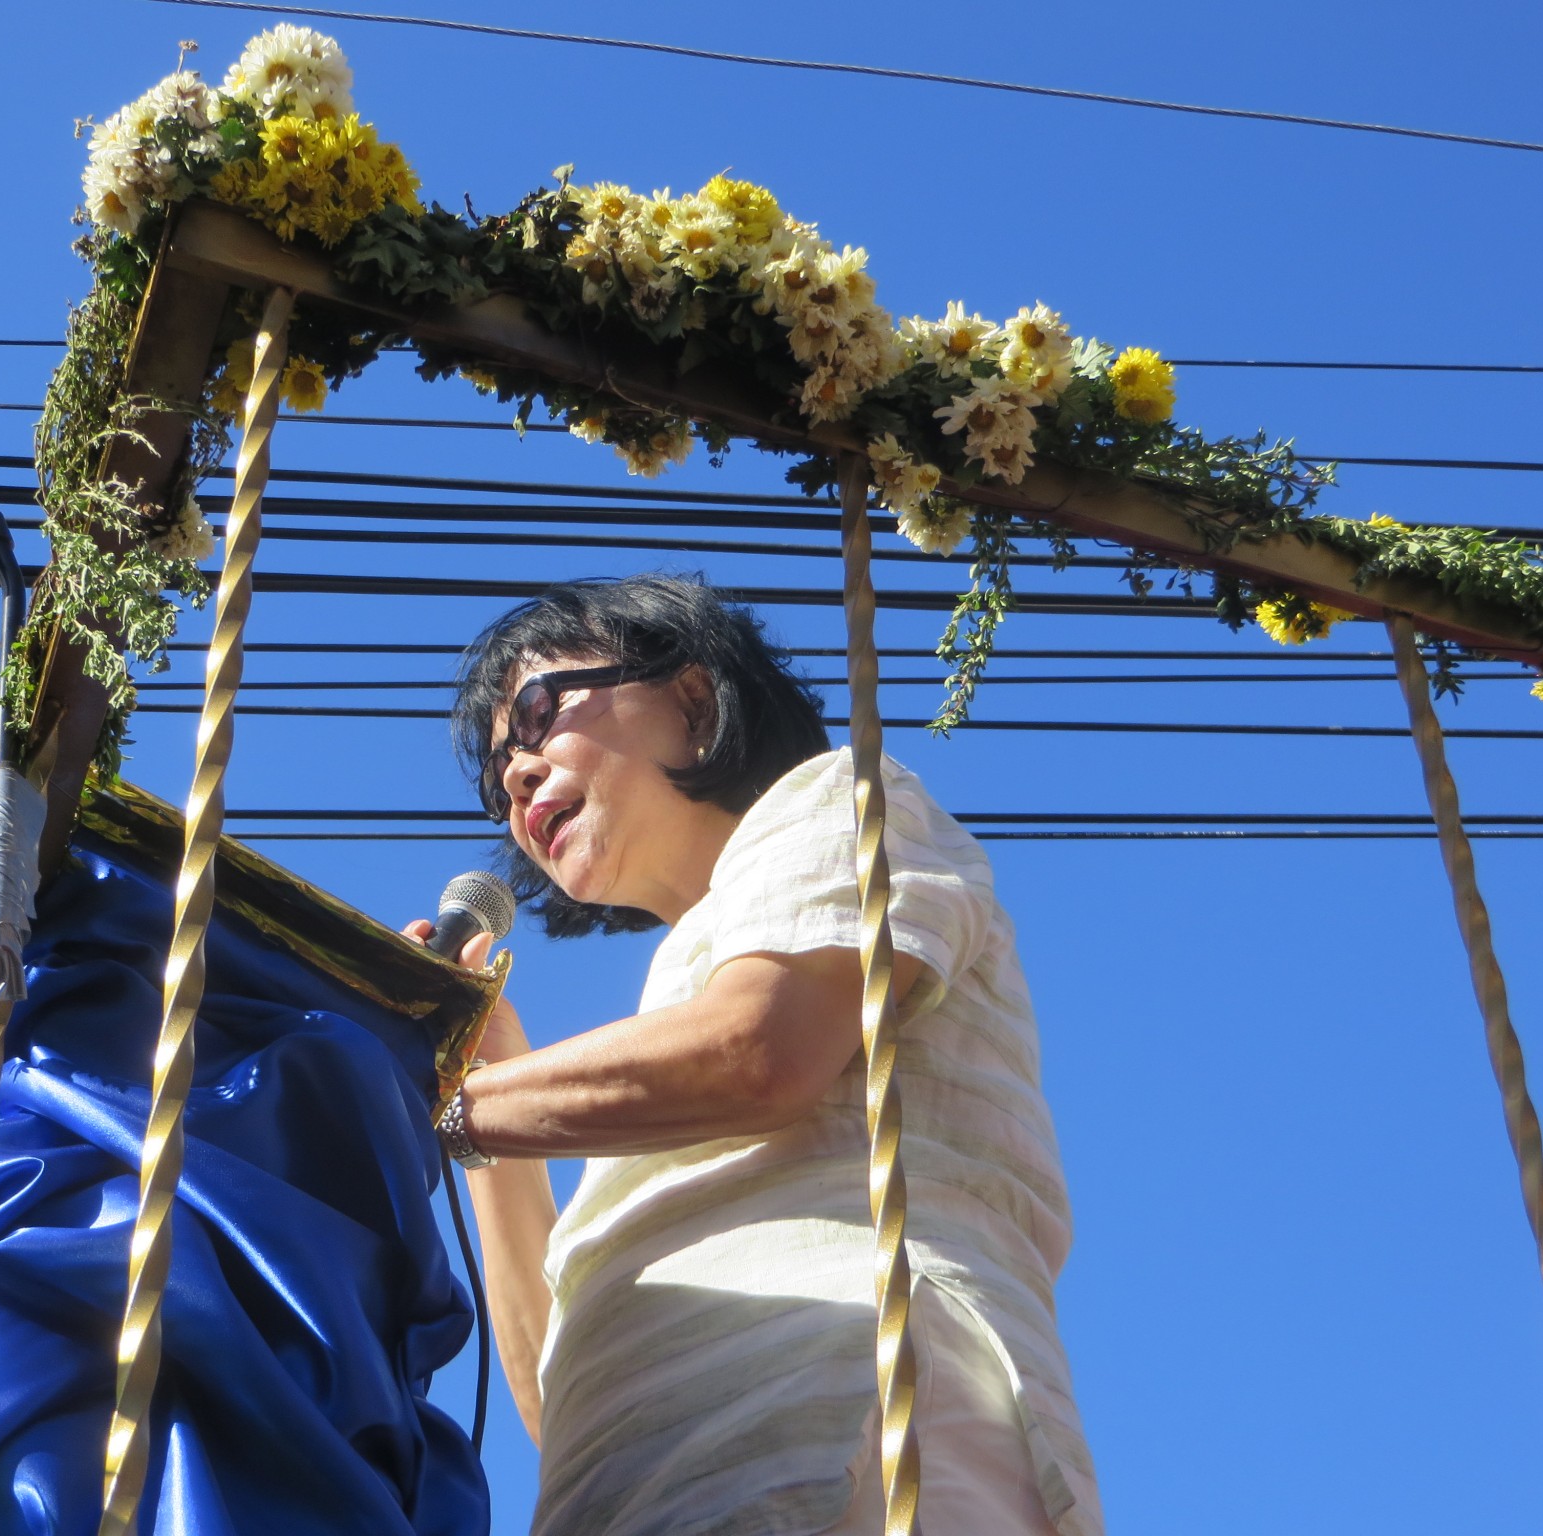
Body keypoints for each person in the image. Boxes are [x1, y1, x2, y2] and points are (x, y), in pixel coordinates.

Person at [405, 575, 1102, 1536]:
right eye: (496, 776)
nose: (516, 775)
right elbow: (552, 1395)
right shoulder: (674, 998)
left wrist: (436, 1101)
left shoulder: (837, 800)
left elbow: (759, 1050)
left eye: (536, 713)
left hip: (853, 1423)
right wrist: (478, 1073)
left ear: (693, 696)